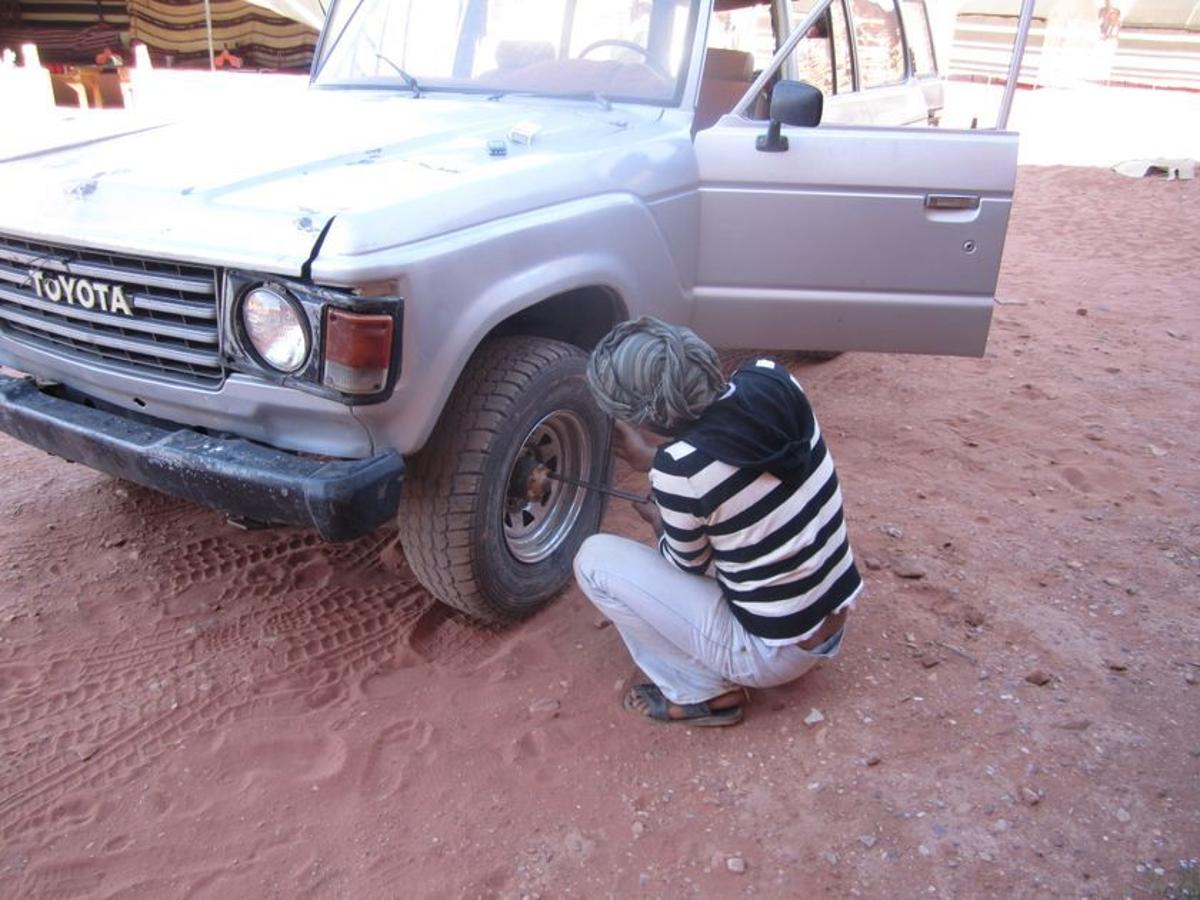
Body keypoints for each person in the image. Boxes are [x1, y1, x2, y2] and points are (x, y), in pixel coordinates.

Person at [573, 317, 862, 727]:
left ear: (644, 419)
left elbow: (685, 565)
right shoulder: (772, 379)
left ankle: (698, 693)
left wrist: (661, 518)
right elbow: (734, 448)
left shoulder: (681, 472)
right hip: (832, 616)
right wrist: (651, 460)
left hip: (777, 653)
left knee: (593, 560)